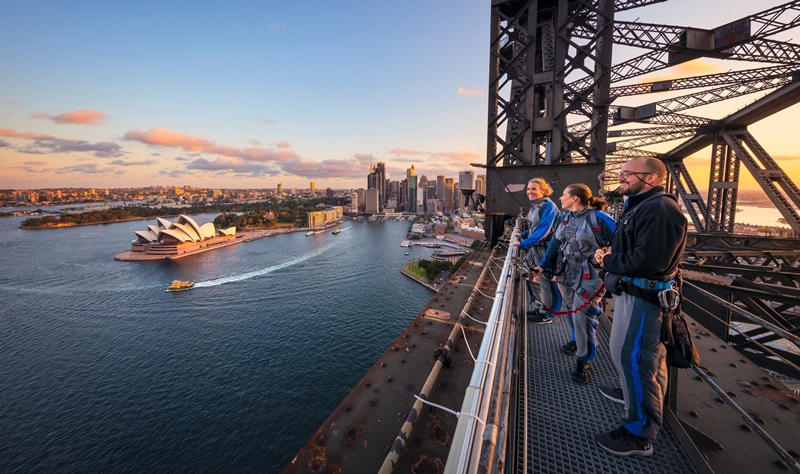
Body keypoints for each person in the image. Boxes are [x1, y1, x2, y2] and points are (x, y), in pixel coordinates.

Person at [593, 157, 688, 457]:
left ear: (651, 178)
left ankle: (638, 433)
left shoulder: (660, 210)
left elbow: (650, 261)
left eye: (627, 174)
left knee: (633, 357)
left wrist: (607, 260)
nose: (621, 178)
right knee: (642, 359)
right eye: (620, 173)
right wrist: (613, 253)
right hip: (636, 293)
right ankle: (633, 391)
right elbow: (637, 249)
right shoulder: (644, 205)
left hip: (644, 298)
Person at [534, 184, 615, 384]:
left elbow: (621, 243)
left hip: (590, 277)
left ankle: (583, 359)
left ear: (575, 198)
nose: (560, 198)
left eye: (564, 195)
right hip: (566, 273)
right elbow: (555, 243)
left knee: (583, 316)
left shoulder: (600, 219)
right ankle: (575, 340)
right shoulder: (564, 218)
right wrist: (543, 266)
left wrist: (608, 257)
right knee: (571, 309)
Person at [513, 178, 560, 324]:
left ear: (543, 190)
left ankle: (550, 315)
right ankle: (543, 308)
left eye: (534, 189)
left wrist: (523, 244)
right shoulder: (535, 206)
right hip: (537, 248)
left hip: (546, 248)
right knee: (541, 279)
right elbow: (534, 227)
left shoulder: (549, 206)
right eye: (528, 189)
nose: (530, 192)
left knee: (548, 280)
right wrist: (523, 235)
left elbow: (543, 230)